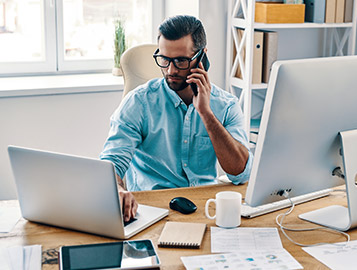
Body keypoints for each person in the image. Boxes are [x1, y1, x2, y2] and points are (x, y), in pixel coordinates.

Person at [100, 15, 252, 222]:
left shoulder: (226, 105)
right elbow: (111, 162)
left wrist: (206, 114)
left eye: (180, 61)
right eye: (164, 59)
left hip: (205, 209)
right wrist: (115, 189)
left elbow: (240, 173)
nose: (170, 71)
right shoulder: (139, 102)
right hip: (152, 211)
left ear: (202, 57)